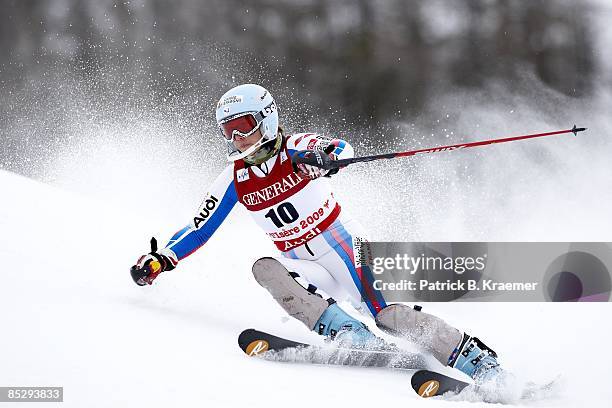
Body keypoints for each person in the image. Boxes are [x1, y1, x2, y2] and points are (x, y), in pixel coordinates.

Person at [130, 84, 502, 384]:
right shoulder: (233, 178)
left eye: (243, 125)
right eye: (228, 130)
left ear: (267, 119)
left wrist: (325, 158)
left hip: (343, 246)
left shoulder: (294, 148)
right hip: (303, 264)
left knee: (387, 314)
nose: (237, 137)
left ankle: (480, 365)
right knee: (265, 268)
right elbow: (200, 227)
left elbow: (337, 147)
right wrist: (162, 258)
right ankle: (352, 338)